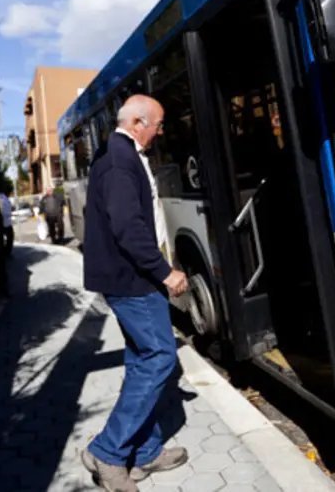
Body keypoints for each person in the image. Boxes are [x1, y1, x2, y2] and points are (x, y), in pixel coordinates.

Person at [79, 94, 190, 491]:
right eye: (158, 124)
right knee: (160, 357)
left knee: (144, 361)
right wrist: (164, 273)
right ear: (139, 122)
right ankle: (108, 452)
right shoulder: (118, 160)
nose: (160, 131)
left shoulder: (121, 155)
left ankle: (144, 451)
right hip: (134, 280)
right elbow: (128, 227)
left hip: (132, 278)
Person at [0, 191, 14, 256]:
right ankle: (6, 252)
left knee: (6, 238)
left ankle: (5, 252)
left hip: (4, 222)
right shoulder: (3, 198)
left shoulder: (2, 197)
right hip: (4, 222)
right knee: (8, 237)